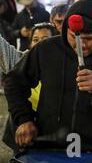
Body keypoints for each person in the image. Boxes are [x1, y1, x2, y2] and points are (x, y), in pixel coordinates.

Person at [4, 0, 92, 163]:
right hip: (47, 147)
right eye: (74, 37)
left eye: (90, 38)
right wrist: (23, 118)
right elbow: (14, 82)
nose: (82, 45)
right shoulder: (46, 49)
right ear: (65, 31)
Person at [1, 22, 56, 151]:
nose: (40, 44)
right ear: (30, 43)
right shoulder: (19, 61)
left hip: (52, 139)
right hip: (23, 138)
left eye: (45, 40)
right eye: (35, 40)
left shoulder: (64, 66)